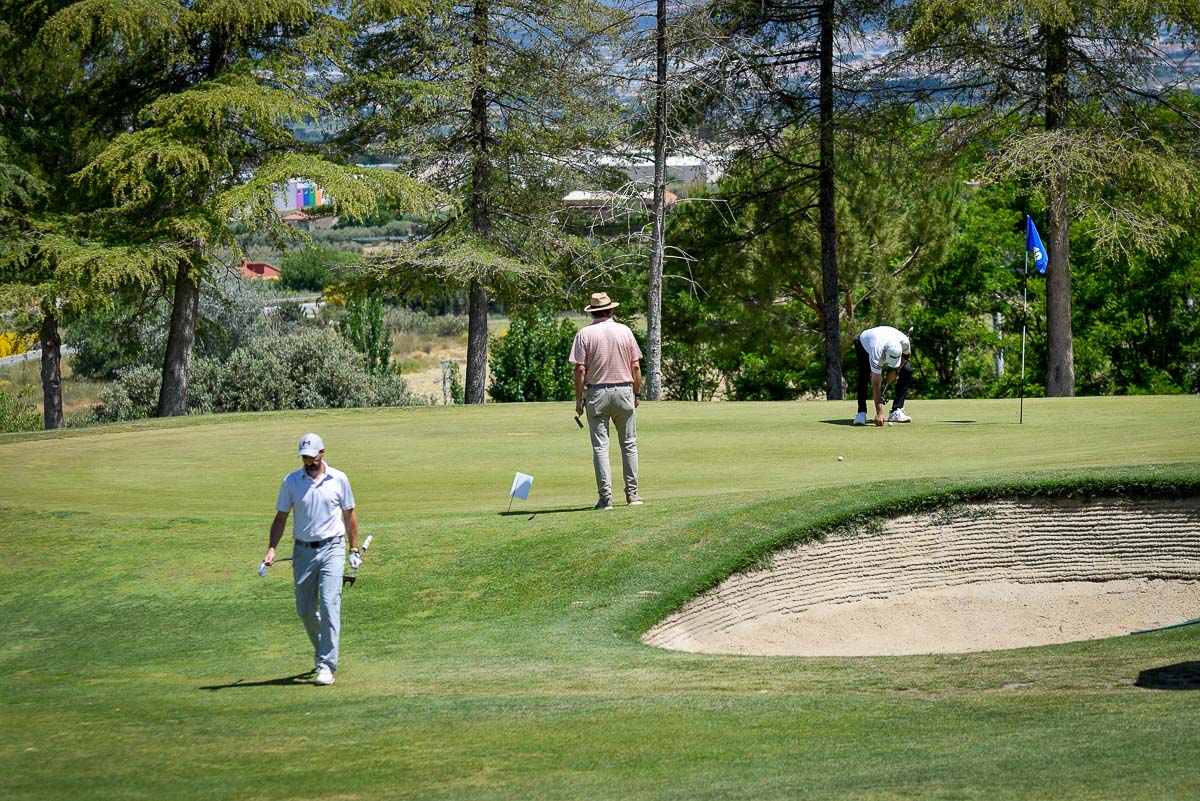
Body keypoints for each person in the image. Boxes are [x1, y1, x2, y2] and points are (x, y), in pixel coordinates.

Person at [262, 433, 360, 686]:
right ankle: (323, 651)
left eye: (311, 456)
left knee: (329, 604)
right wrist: (272, 548)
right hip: (303, 551)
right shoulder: (292, 481)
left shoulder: (339, 479)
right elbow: (281, 517)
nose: (308, 461)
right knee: (305, 610)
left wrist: (353, 549)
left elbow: (349, 515)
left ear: (322, 453)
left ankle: (326, 664)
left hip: (333, 548)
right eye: (304, 456)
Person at [570, 292, 644, 509]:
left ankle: (606, 499)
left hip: (596, 394)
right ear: (611, 310)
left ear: (593, 312)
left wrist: (578, 399)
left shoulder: (584, 334)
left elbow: (580, 369)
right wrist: (637, 393)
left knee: (601, 448)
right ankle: (633, 495)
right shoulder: (625, 331)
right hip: (623, 391)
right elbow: (636, 366)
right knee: (629, 445)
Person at [853, 325, 913, 427]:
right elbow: (876, 384)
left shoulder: (904, 342)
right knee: (864, 374)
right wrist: (879, 413)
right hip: (864, 343)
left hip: (885, 336)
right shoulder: (876, 352)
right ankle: (861, 412)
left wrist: (896, 371)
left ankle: (896, 410)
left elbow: (907, 355)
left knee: (907, 369)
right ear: (885, 353)